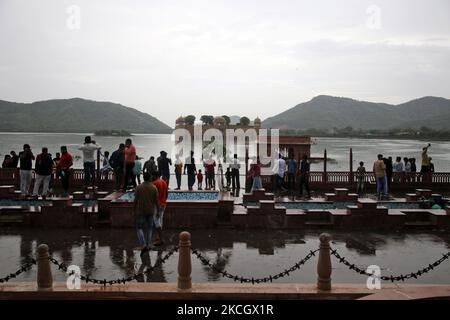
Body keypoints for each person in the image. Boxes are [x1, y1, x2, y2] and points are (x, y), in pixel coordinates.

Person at [133, 172, 159, 256]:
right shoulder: (154, 187)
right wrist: (158, 211)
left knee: (139, 228)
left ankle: (143, 244)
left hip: (140, 211)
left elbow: (135, 200)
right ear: (150, 178)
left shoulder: (138, 187)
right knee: (149, 228)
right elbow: (156, 201)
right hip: (150, 211)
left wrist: (134, 210)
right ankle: (147, 245)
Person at [152, 173, 168, 246]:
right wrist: (164, 200)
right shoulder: (164, 182)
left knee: (156, 220)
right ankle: (158, 237)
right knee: (160, 219)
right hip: (163, 203)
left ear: (155, 175)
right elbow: (167, 193)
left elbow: (153, 196)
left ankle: (160, 239)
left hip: (157, 205)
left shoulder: (154, 183)